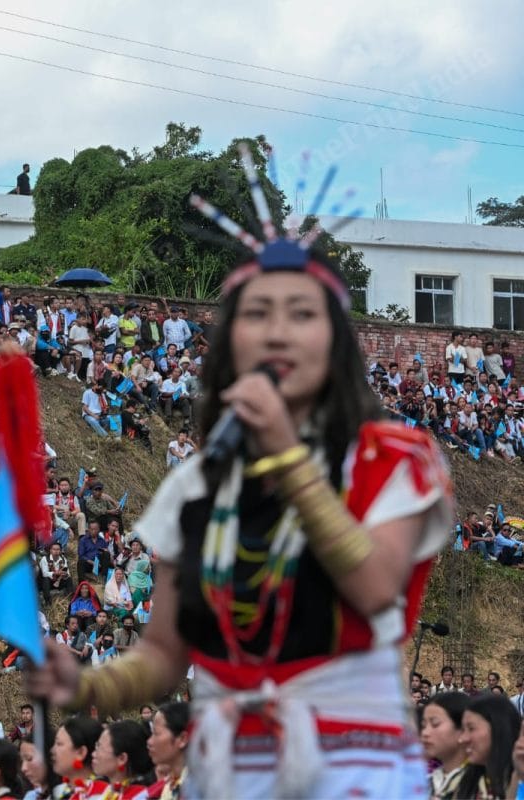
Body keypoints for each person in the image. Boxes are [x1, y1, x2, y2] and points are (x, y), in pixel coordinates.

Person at [27, 185, 455, 798]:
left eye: (302, 314)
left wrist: (284, 452)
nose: (278, 333)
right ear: (230, 342)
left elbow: (374, 585)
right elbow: (164, 656)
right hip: (226, 773)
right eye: (257, 315)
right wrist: (86, 683)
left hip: (353, 767)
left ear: (336, 341)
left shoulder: (393, 458)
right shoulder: (198, 482)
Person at [456, 694, 522, 800]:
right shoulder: (464, 781)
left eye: (471, 728)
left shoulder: (518, 781)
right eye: (463, 730)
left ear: (499, 729)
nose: (462, 739)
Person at [419, 693, 469, 800]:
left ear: (462, 729)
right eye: (423, 726)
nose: (425, 733)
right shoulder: (427, 782)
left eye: (435, 724)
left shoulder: (478, 785)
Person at [90, 721, 154, 800]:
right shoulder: (108, 792)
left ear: (122, 758)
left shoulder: (141, 796)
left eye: (100, 748)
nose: (94, 754)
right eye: (96, 746)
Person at [50, 715, 103, 798]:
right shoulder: (58, 792)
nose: (53, 750)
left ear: (81, 752)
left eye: (59, 744)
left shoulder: (103, 795)